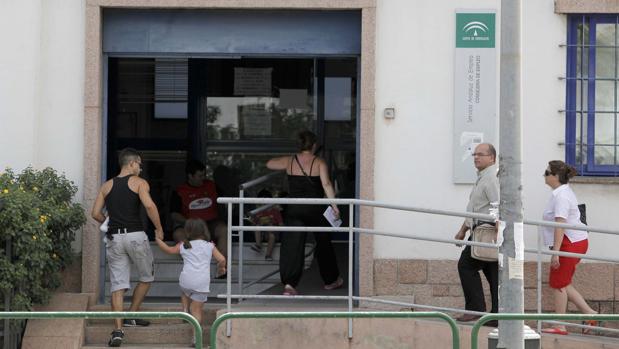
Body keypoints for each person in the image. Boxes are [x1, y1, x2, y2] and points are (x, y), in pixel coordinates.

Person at [91, 148, 164, 347]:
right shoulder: (140, 183)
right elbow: (149, 206)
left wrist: (108, 221)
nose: (140, 168)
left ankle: (118, 330)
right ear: (131, 163)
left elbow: (95, 213)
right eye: (139, 164)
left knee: (117, 286)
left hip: (114, 238)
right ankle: (132, 314)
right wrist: (158, 229)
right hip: (135, 236)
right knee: (147, 276)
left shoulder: (106, 185)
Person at [266, 130, 343, 296]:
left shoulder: (290, 161)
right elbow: (327, 184)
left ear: (299, 145)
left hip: (294, 208)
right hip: (315, 208)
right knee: (324, 243)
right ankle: (331, 280)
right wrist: (334, 206)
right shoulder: (319, 162)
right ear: (314, 145)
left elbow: (269, 164)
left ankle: (289, 285)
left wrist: (288, 161)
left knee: (292, 246)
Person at [540, 160, 598, 335]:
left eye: (547, 172)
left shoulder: (562, 196)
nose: (544, 175)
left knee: (558, 283)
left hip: (570, 243)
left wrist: (556, 253)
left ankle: (560, 326)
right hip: (572, 242)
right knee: (562, 282)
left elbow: (560, 225)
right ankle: (590, 313)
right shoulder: (560, 192)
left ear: (556, 176)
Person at [155, 219, 226, 345]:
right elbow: (222, 259)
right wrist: (221, 268)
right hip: (201, 283)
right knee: (197, 311)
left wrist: (158, 240)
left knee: (185, 292)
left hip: (186, 280)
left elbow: (169, 250)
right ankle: (195, 338)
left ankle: (184, 309)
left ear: (187, 231)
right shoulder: (209, 246)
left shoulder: (184, 245)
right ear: (204, 230)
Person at [454, 143, 499, 324]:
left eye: (481, 154)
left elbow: (497, 206)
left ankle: (476, 309)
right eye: (474, 154)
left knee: (466, 266)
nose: (476, 157)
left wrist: (498, 232)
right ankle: (497, 315)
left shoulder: (491, 178)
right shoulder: (483, 177)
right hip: (480, 231)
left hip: (487, 233)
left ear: (492, 158)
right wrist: (462, 230)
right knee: (492, 273)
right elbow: (475, 207)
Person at [170, 159, 228, 265]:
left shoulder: (212, 186)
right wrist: (189, 222)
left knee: (224, 229)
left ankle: (222, 267)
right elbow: (174, 214)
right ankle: (194, 263)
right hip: (190, 226)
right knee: (178, 234)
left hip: (211, 224)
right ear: (190, 176)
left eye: (204, 175)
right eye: (200, 176)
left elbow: (225, 202)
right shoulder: (179, 191)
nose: (203, 178)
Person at [249, 188, 283, 261]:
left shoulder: (275, 212)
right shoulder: (258, 212)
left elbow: (281, 225)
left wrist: (272, 225)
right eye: (261, 201)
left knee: (272, 235)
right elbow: (253, 226)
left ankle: (268, 255)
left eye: (266, 200)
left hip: (272, 234)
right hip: (262, 234)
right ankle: (258, 245)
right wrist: (258, 223)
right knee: (257, 227)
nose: (264, 203)